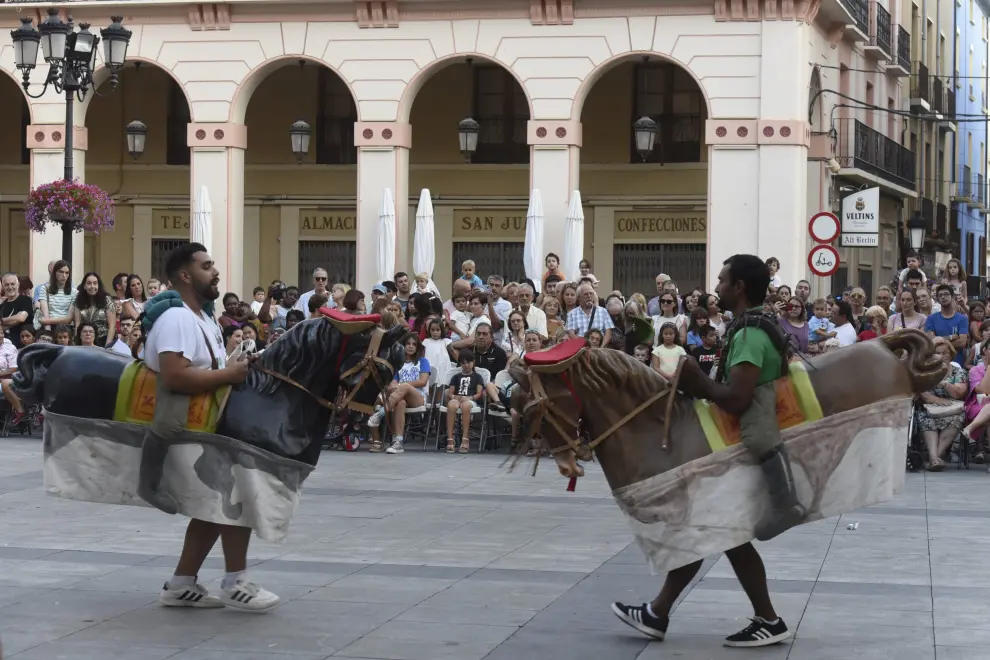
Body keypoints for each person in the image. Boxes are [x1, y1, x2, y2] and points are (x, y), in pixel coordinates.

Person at [613, 254, 795, 648]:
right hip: (737, 445)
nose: (717, 287)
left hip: (742, 448)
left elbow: (736, 398)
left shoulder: (749, 333)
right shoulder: (754, 325)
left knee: (711, 528)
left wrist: (695, 377)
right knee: (714, 531)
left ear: (739, 287)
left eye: (722, 280)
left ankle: (763, 618)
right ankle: (659, 613)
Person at [143, 242, 277, 611]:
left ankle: (181, 583)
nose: (215, 271)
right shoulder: (177, 319)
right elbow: (173, 376)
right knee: (235, 494)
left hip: (209, 424)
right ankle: (237, 582)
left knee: (215, 506)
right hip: (187, 428)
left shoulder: (201, 318)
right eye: (207, 266)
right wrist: (228, 373)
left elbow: (210, 371)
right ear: (185, 276)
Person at [444, 349, 485, 453]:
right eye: (463, 363)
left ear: (473, 362)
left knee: (465, 406)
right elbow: (450, 392)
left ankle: (465, 438)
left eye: (468, 362)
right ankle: (450, 438)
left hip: (470, 400)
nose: (466, 365)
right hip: (458, 398)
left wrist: (469, 398)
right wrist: (454, 397)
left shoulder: (477, 377)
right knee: (451, 405)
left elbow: (479, 393)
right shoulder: (456, 377)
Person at [924, 284, 968, 363]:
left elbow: (962, 342)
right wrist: (951, 337)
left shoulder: (962, 318)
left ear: (953, 297)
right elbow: (932, 341)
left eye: (946, 294)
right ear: (937, 299)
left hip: (957, 363)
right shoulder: (931, 319)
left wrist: (940, 340)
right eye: (940, 295)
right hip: (937, 362)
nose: (943, 297)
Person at [1, 272, 33, 349]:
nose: (10, 287)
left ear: (18, 285)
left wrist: (2, 320)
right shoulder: (2, 305)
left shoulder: (26, 300)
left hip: (23, 346)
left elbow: (21, 318)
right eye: (7, 285)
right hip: (5, 348)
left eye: (12, 284)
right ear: (3, 287)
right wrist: (14, 318)